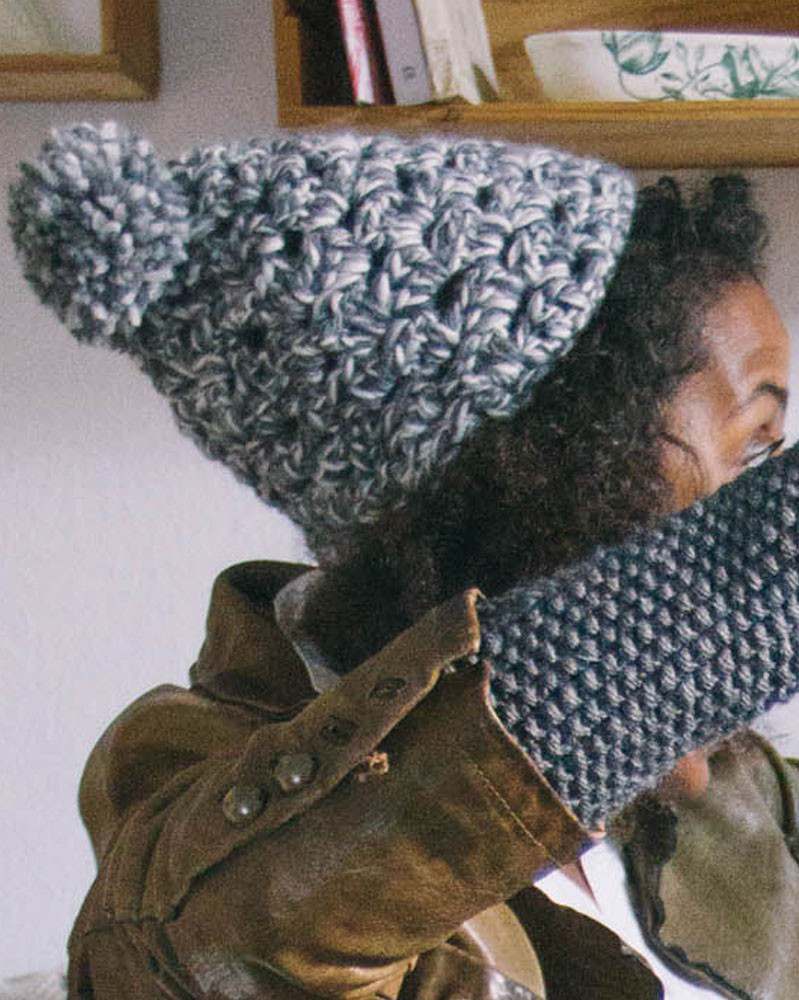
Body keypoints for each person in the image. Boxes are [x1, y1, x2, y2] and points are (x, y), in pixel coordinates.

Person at [9, 124, 799, 999]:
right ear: (557, 461)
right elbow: (230, 952)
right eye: (753, 446)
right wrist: (602, 686)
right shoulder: (191, 771)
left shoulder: (729, 785)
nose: (757, 505)